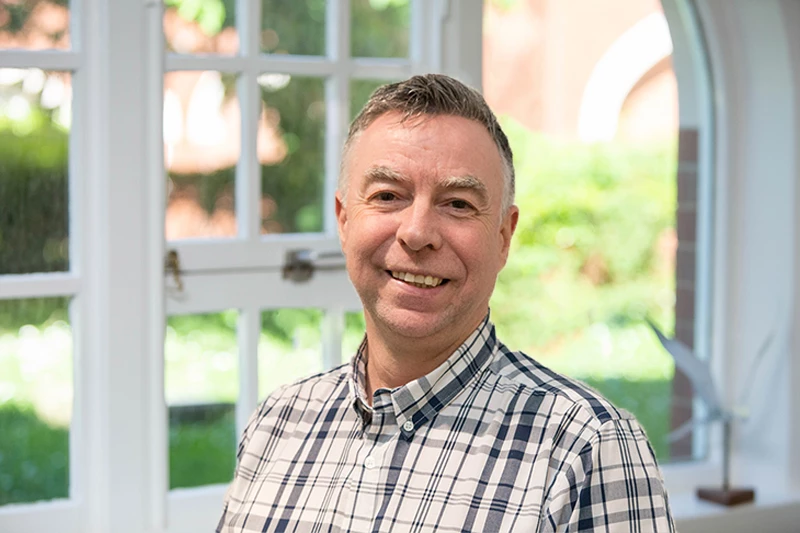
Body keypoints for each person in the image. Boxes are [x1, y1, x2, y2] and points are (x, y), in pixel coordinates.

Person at [217, 74, 675, 532]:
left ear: (503, 237)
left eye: (457, 204)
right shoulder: (278, 424)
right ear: (343, 220)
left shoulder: (586, 449)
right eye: (387, 196)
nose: (416, 233)